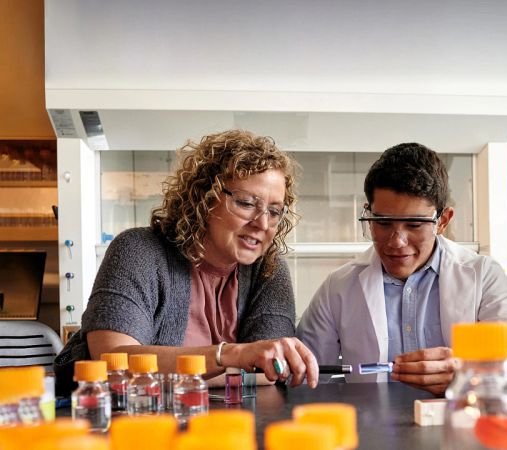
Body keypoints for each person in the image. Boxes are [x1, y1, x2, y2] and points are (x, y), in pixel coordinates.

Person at [54, 129, 319, 395]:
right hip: (135, 425)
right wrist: (232, 356)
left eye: (274, 211)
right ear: (204, 198)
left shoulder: (269, 269)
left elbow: (271, 372)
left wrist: (167, 371)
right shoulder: (138, 250)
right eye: (246, 203)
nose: (262, 224)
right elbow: (114, 363)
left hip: (231, 429)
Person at [297, 143, 507, 395]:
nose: (397, 241)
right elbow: (306, 376)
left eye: (414, 224)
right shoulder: (339, 287)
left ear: (442, 220)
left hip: (459, 421)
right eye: (383, 223)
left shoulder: (482, 276)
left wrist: (468, 373)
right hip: (373, 431)